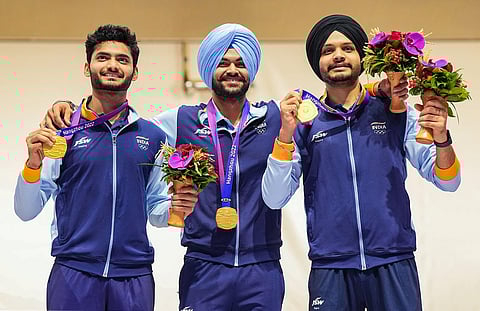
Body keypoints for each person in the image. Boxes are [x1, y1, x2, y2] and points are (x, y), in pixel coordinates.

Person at [40, 23, 402, 311]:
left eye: (240, 63)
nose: (232, 70)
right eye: (223, 63)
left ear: (251, 71)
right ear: (209, 69)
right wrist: (68, 107)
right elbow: (124, 122)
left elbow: (330, 101)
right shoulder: (179, 120)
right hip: (203, 266)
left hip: (262, 268)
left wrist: (377, 88)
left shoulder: (275, 117)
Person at [262, 14, 461, 311]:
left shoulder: (394, 112)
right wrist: (284, 137)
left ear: (362, 57)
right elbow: (275, 197)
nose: (338, 55)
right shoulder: (305, 124)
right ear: (317, 63)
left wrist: (442, 137)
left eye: (347, 48)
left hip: (394, 259)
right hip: (331, 267)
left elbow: (448, 181)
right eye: (327, 51)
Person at [14, 24, 197, 311]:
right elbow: (26, 210)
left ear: (135, 72)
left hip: (134, 276)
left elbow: (156, 210)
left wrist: (179, 206)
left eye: (122, 59)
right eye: (103, 57)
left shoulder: (153, 136)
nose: (112, 65)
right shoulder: (62, 130)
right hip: (73, 273)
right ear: (87, 67)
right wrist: (33, 165)